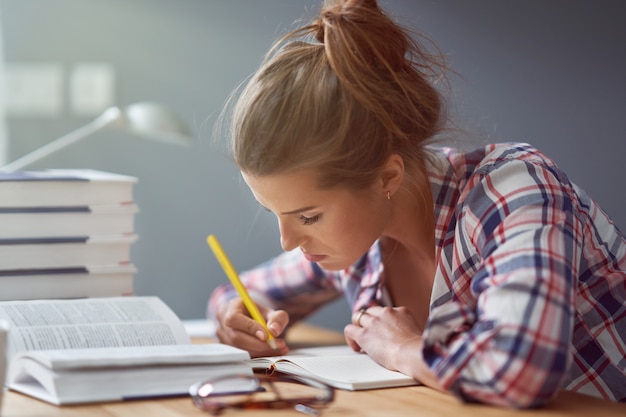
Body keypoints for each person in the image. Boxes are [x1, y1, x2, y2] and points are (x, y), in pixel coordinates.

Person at [207, 0, 626, 408]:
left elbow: (518, 370)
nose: (288, 240)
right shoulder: (358, 239)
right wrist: (238, 315)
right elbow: (239, 291)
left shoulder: (514, 191)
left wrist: (406, 349)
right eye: (276, 214)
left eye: (308, 216)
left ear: (387, 176)